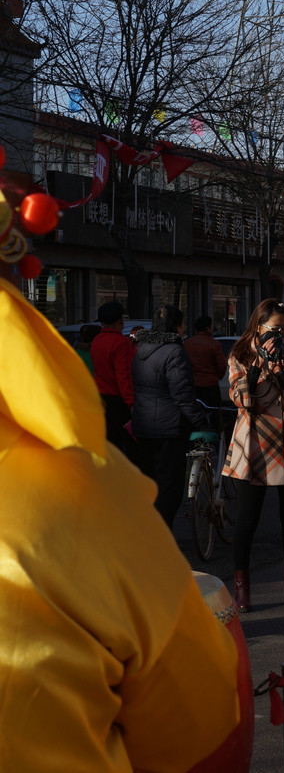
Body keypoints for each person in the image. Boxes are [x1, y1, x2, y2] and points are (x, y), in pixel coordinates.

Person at [0, 277, 241, 771]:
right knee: (165, 489)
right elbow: (192, 720)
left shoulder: (131, 350)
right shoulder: (86, 494)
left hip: (137, 421)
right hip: (154, 427)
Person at [224, 299, 284, 613]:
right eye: (274, 329)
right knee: (247, 521)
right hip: (253, 440)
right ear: (258, 326)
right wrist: (260, 367)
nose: (280, 334)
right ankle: (242, 592)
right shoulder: (240, 354)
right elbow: (242, 399)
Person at [132, 304, 211, 529]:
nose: (184, 328)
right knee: (169, 487)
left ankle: (147, 531)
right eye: (182, 323)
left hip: (143, 426)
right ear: (177, 326)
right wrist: (202, 423)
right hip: (169, 428)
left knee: (151, 484)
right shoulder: (174, 351)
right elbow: (183, 395)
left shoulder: (141, 350)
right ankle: (160, 535)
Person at [91, 300, 136, 454]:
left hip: (101, 399)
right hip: (119, 402)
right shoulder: (121, 342)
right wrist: (131, 403)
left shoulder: (96, 341)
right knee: (130, 447)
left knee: (109, 446)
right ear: (121, 320)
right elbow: (125, 376)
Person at [184, 314, 228, 409]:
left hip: (193, 385)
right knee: (213, 413)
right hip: (210, 386)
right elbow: (222, 366)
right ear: (208, 328)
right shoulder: (214, 344)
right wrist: (217, 377)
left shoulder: (187, 344)